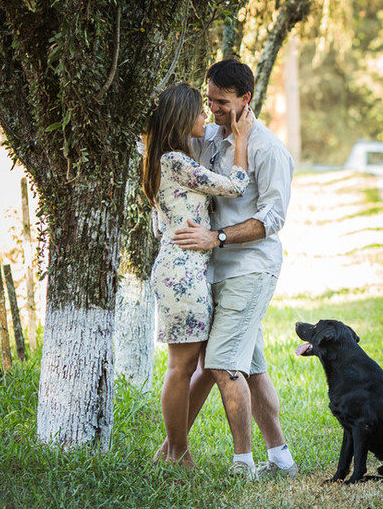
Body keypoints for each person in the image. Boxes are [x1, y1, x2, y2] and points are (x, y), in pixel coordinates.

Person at [172, 58, 297, 479]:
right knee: (253, 369)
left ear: (246, 99)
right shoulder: (206, 138)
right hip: (213, 272)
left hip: (250, 268)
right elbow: (160, 145)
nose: (214, 110)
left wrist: (218, 238)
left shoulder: (268, 149)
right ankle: (280, 457)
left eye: (222, 102)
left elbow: (272, 219)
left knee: (223, 365)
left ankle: (243, 465)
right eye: (209, 100)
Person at [140, 82, 254, 468]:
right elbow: (235, 187)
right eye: (200, 111)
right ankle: (177, 451)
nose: (206, 116)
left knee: (205, 362)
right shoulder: (175, 161)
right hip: (182, 273)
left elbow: (160, 227)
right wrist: (241, 140)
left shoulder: (165, 161)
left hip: (183, 268)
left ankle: (170, 449)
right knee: (181, 367)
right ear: (182, 117)